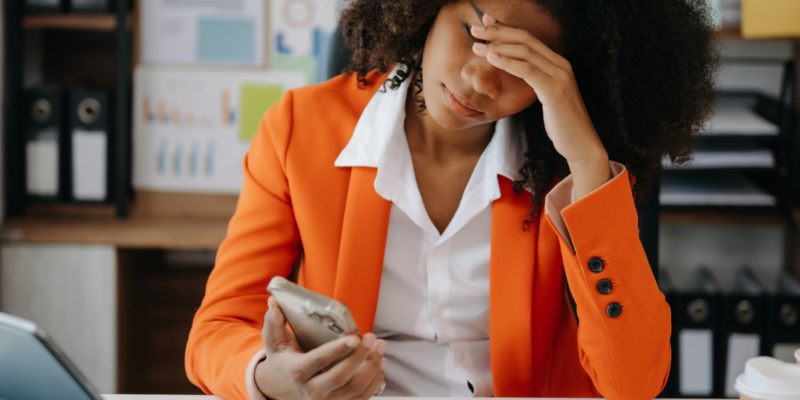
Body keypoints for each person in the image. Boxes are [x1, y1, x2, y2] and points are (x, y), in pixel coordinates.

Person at [185, 0, 718, 399]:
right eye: (474, 31)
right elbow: (216, 331)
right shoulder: (300, 129)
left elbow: (634, 382)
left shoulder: (567, 172)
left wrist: (586, 164)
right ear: (426, 8)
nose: (481, 79)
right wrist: (265, 375)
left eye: (524, 61)